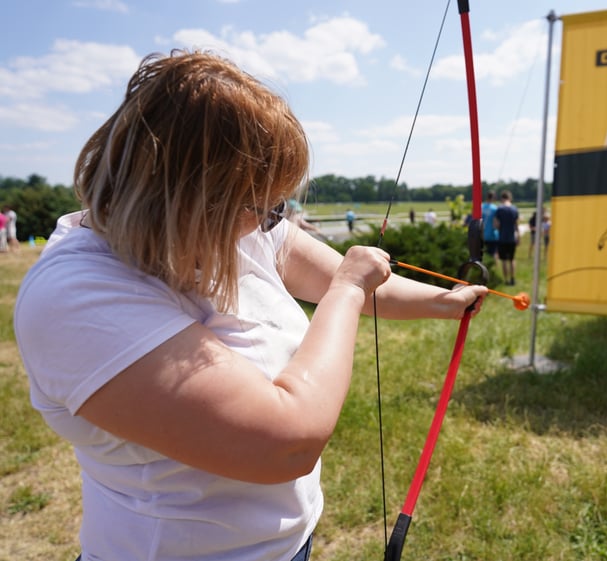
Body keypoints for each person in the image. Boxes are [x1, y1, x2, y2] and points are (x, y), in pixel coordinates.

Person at [13, 50, 487, 561]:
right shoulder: (76, 298)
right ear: (194, 196)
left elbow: (355, 280)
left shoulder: (234, 226)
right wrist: (347, 291)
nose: (272, 220)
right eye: (262, 204)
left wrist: (446, 302)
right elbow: (287, 441)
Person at [493, 190, 519, 285]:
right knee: (512, 259)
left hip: (502, 238)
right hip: (512, 238)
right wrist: (518, 236)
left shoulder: (499, 209)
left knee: (504, 260)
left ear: (502, 198)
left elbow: (496, 224)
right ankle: (513, 278)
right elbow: (516, 224)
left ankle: (506, 280)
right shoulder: (514, 209)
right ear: (510, 198)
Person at [481, 191, 499, 264]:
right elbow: (496, 223)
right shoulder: (495, 208)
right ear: (493, 198)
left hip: (482, 234)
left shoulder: (481, 207)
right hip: (492, 235)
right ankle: (494, 269)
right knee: (494, 253)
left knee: (483, 253)